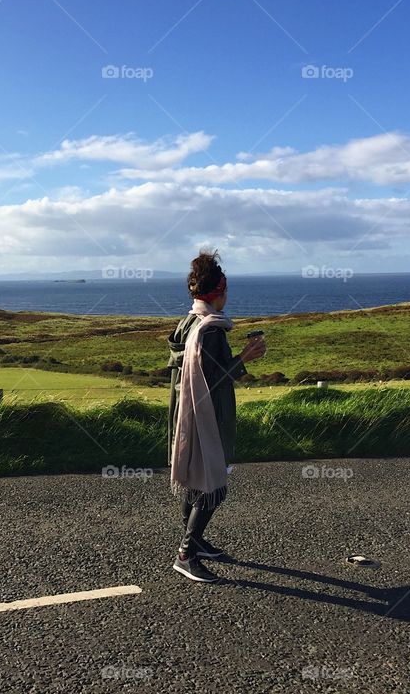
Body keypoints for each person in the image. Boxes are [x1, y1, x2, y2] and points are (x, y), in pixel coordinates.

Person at [167, 250, 266, 583]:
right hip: (207, 416)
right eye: (226, 290)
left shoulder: (190, 321)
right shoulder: (211, 330)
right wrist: (247, 355)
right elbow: (215, 379)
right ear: (219, 292)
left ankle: (195, 541)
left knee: (197, 479)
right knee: (212, 485)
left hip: (183, 413)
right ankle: (186, 553)